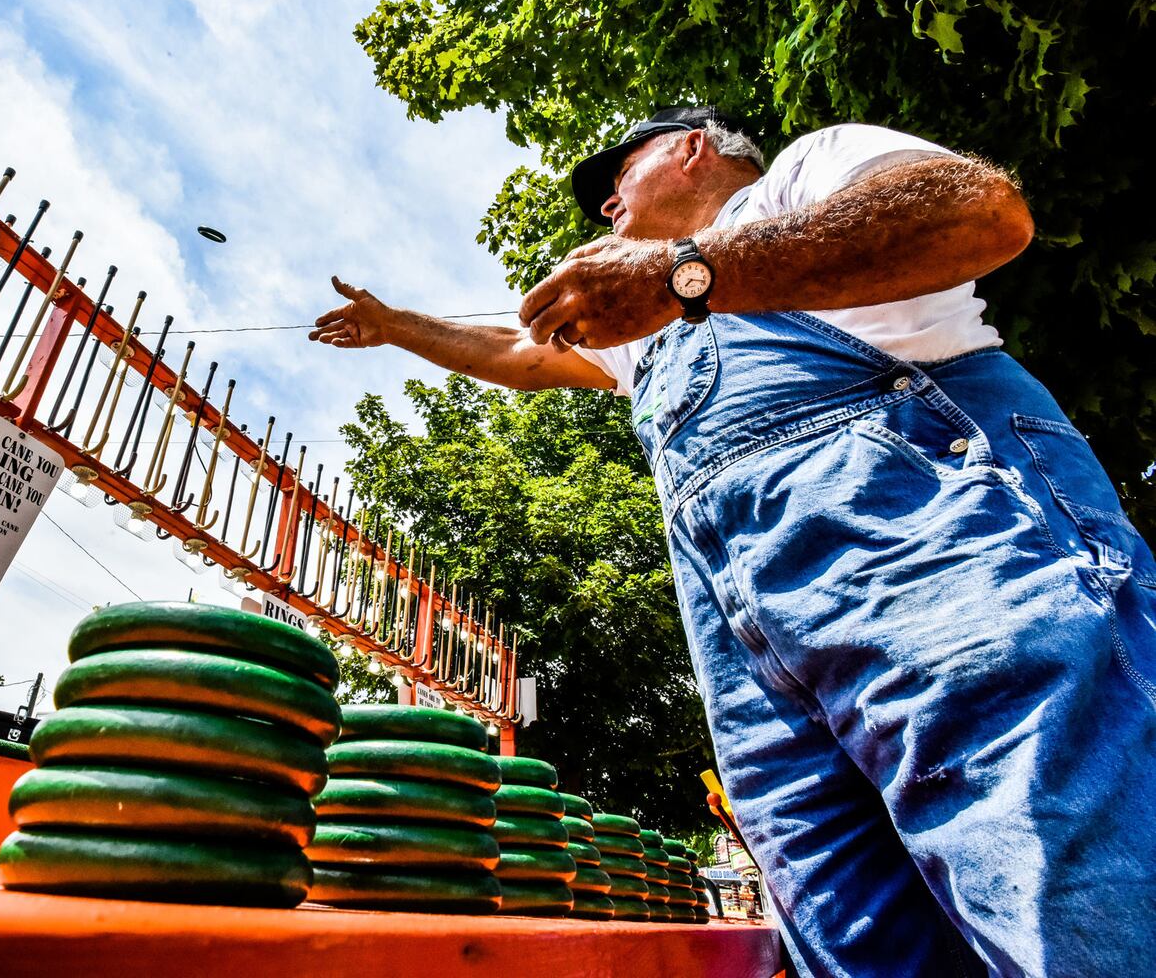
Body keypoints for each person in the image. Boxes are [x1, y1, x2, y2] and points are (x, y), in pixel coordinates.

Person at [309, 105, 1156, 977]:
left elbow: (977, 209)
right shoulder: (640, 335)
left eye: (616, 179)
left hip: (952, 578)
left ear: (691, 148)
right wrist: (397, 325)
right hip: (756, 677)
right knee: (855, 930)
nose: (606, 208)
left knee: (1069, 882)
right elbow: (518, 353)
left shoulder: (809, 170)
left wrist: (686, 272)